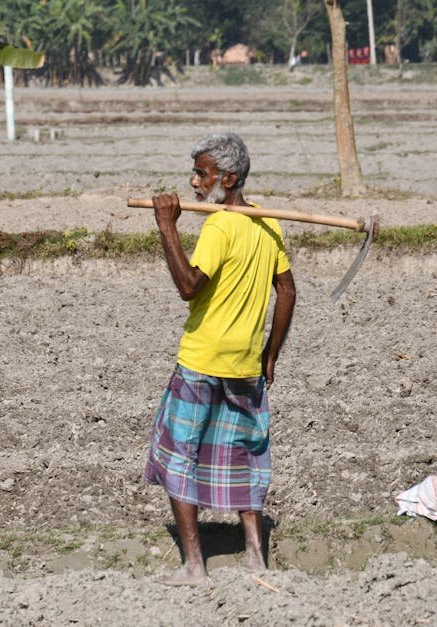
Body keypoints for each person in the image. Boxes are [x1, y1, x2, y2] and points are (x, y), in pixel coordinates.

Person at [144, 132, 296, 587]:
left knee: (178, 454)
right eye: (194, 172)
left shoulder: (219, 226)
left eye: (202, 174)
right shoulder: (268, 224)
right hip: (246, 365)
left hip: (202, 360)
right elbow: (286, 290)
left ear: (228, 179)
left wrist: (166, 227)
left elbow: (190, 285)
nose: (193, 182)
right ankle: (254, 558)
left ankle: (195, 566)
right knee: (244, 454)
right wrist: (269, 356)